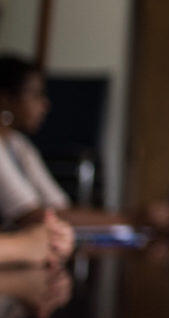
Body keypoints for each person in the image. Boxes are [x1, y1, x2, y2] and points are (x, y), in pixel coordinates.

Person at [0, 55, 119, 227]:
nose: (45, 105)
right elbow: (31, 216)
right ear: (5, 99)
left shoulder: (19, 145)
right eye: (35, 95)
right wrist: (131, 220)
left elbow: (58, 206)